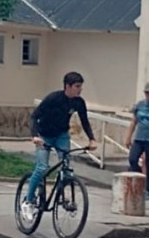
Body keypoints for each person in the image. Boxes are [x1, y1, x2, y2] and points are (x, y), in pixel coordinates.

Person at [21, 72, 97, 221]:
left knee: (67, 168)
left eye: (81, 86)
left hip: (62, 135)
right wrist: (35, 136)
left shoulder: (78, 102)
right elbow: (35, 116)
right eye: (77, 86)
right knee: (42, 167)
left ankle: (62, 197)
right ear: (67, 86)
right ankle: (28, 201)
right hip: (44, 136)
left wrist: (92, 139)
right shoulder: (54, 98)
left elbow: (84, 121)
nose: (80, 90)